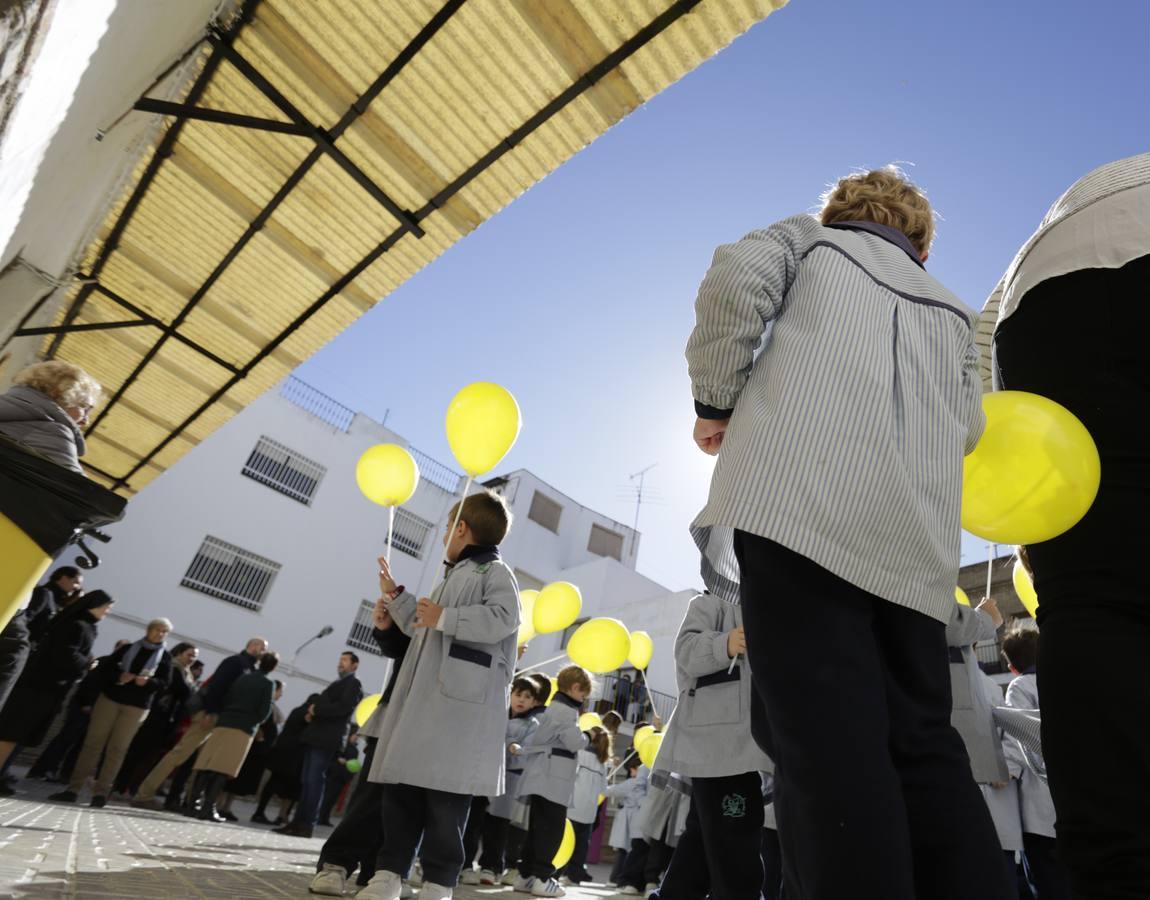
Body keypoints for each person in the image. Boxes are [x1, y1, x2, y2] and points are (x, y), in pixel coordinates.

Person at [686, 166, 1008, 899]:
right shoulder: (955, 313)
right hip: (913, 551)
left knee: (827, 743)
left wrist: (716, 399)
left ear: (841, 210)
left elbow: (736, 281)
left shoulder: (808, 242)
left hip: (799, 511)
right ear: (921, 244)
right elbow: (970, 426)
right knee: (923, 744)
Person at [986, 153, 1150, 896]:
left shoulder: (1063, 214)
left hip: (1044, 306)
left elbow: (982, 365)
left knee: (1089, 604)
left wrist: (1031, 517)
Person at [357, 490, 520, 900]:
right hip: (424, 704)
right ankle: (388, 874)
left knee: (448, 802)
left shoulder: (495, 573)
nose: (446, 533)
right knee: (402, 792)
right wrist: (396, 598)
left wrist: (447, 617)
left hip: (458, 712)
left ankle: (439, 883)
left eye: (449, 527)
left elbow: (503, 619)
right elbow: (424, 628)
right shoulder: (451, 575)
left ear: (461, 529)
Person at [653, 590, 773, 900]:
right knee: (735, 840)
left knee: (704, 840)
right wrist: (725, 643)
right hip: (716, 743)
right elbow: (685, 651)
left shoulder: (767, 602)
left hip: (744, 746)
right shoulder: (709, 602)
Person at [310, 584, 413, 896]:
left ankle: (380, 873)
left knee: (405, 806)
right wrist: (387, 628)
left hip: (429, 729)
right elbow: (405, 645)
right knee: (371, 798)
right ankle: (335, 865)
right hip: (394, 718)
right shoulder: (429, 605)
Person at [131, 636, 269, 808]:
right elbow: (217, 686)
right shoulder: (235, 662)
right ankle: (144, 794)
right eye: (262, 648)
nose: (263, 652)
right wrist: (211, 712)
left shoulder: (250, 668)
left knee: (202, 763)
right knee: (178, 754)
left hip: (222, 720)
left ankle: (189, 801)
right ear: (252, 646)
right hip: (210, 715)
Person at [50, 617, 174, 807]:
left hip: (137, 707)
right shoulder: (128, 649)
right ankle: (73, 789)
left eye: (165, 632)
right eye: (157, 629)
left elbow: (165, 685)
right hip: (109, 700)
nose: (160, 634)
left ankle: (101, 793)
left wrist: (148, 682)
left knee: (118, 749)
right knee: (93, 743)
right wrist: (119, 676)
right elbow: (103, 671)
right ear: (148, 630)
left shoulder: (165, 658)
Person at [0, 592, 115, 780]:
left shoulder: (83, 625)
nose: (107, 612)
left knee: (21, 735)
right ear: (95, 605)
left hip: (49, 689)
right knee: (12, 733)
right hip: (39, 687)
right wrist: (87, 663)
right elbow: (65, 654)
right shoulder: (77, 625)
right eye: (106, 607)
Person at [1001, 628, 1072, 900]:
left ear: (1012, 666)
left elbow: (1017, 734)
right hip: (1072, 801)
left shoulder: (1020, 686)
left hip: (1039, 811)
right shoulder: (1065, 680)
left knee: (1047, 886)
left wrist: (1006, 771)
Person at [512, 664, 592, 897]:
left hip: (543, 776)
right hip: (552, 779)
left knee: (537, 829)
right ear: (576, 688)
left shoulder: (555, 708)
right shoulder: (565, 711)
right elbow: (575, 742)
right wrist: (589, 735)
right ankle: (542, 878)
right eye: (582, 694)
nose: (582, 699)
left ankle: (526, 876)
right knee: (551, 831)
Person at [274, 651, 362, 837]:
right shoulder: (339, 683)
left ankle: (307, 824)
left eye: (345, 661)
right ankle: (298, 822)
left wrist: (317, 709)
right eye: (340, 660)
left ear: (355, 665)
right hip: (316, 736)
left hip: (326, 739)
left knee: (314, 782)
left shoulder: (353, 684)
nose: (340, 664)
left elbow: (343, 708)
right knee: (307, 782)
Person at [187, 651, 280, 822]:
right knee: (223, 768)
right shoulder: (268, 683)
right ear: (274, 667)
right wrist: (255, 721)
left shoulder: (244, 677)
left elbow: (228, 696)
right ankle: (208, 807)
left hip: (225, 721)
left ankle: (192, 804)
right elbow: (264, 711)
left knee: (208, 763)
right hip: (243, 728)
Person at [27, 638, 131, 783]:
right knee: (65, 739)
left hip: (98, 711)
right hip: (83, 707)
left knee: (80, 745)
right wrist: (86, 704)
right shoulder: (104, 662)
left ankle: (65, 774)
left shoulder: (121, 669)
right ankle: (44, 769)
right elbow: (89, 684)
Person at [116, 641, 198, 795]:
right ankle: (121, 786)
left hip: (169, 719)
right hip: (157, 716)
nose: (192, 658)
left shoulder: (187, 673)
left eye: (194, 656)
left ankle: (134, 788)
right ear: (179, 653)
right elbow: (182, 691)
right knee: (138, 753)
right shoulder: (173, 668)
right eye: (190, 654)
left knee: (150, 756)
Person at [217, 678, 283, 822]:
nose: (281, 695)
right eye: (280, 691)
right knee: (232, 780)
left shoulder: (274, 708)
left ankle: (227, 807)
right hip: (251, 749)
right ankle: (219, 805)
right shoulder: (263, 704)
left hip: (260, 752)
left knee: (239, 784)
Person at [253, 693, 317, 825]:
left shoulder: (296, 710)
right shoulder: (308, 714)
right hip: (294, 757)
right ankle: (282, 815)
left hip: (281, 753)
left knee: (272, 783)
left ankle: (260, 812)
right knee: (292, 789)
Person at [564, 727, 611, 885]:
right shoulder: (603, 764)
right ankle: (575, 876)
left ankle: (558, 873)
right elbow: (603, 790)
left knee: (565, 842)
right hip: (589, 812)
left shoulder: (580, 754)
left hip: (572, 807)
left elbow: (570, 776)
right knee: (581, 846)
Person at [606, 755, 648, 885]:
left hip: (628, 820)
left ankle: (616, 879)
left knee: (623, 850)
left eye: (632, 770)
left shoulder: (632, 783)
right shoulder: (647, 785)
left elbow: (610, 791)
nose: (631, 773)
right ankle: (621, 879)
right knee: (631, 850)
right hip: (639, 819)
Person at [317, 728, 361, 827]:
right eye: (355, 735)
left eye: (357, 736)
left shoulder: (355, 749)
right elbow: (333, 757)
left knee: (333, 799)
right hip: (334, 775)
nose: (356, 738)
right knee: (327, 797)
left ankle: (325, 818)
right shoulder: (342, 746)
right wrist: (339, 759)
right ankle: (319, 817)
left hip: (343, 778)